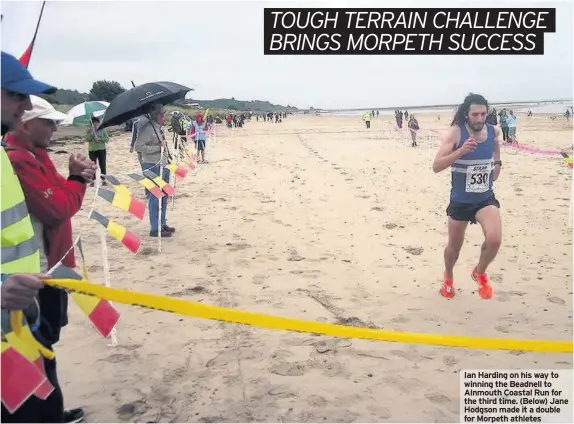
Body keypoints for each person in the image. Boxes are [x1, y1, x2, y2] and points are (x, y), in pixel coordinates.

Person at [1, 51, 87, 423]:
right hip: (22, 290)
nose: (23, 104)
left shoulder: (26, 157)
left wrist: (74, 182)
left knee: (43, 358)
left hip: (33, 284)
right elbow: (57, 208)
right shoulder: (18, 158)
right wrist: (78, 182)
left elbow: (63, 204)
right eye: (16, 94)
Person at [432, 93, 502, 300]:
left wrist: (497, 164)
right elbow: (436, 166)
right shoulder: (455, 133)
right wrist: (460, 151)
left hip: (484, 198)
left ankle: (479, 272)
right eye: (475, 114)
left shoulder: (493, 131)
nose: (480, 119)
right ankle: (448, 279)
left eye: (483, 114)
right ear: (466, 114)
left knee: (495, 239)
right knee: (454, 248)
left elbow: (496, 152)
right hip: (461, 201)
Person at [134, 103, 175, 238]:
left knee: (164, 195)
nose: (164, 116)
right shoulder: (147, 128)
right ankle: (155, 227)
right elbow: (138, 147)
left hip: (163, 164)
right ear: (156, 114)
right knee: (154, 196)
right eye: (162, 113)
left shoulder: (158, 127)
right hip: (151, 165)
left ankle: (162, 223)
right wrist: (157, 149)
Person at [84, 116, 109, 185]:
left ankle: (103, 180)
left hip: (101, 149)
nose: (95, 125)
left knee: (102, 165)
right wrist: (91, 134)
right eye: (93, 124)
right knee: (92, 166)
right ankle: (92, 180)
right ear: (91, 124)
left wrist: (100, 139)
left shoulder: (102, 129)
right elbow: (86, 139)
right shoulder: (89, 130)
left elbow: (107, 139)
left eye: (96, 123)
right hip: (92, 150)